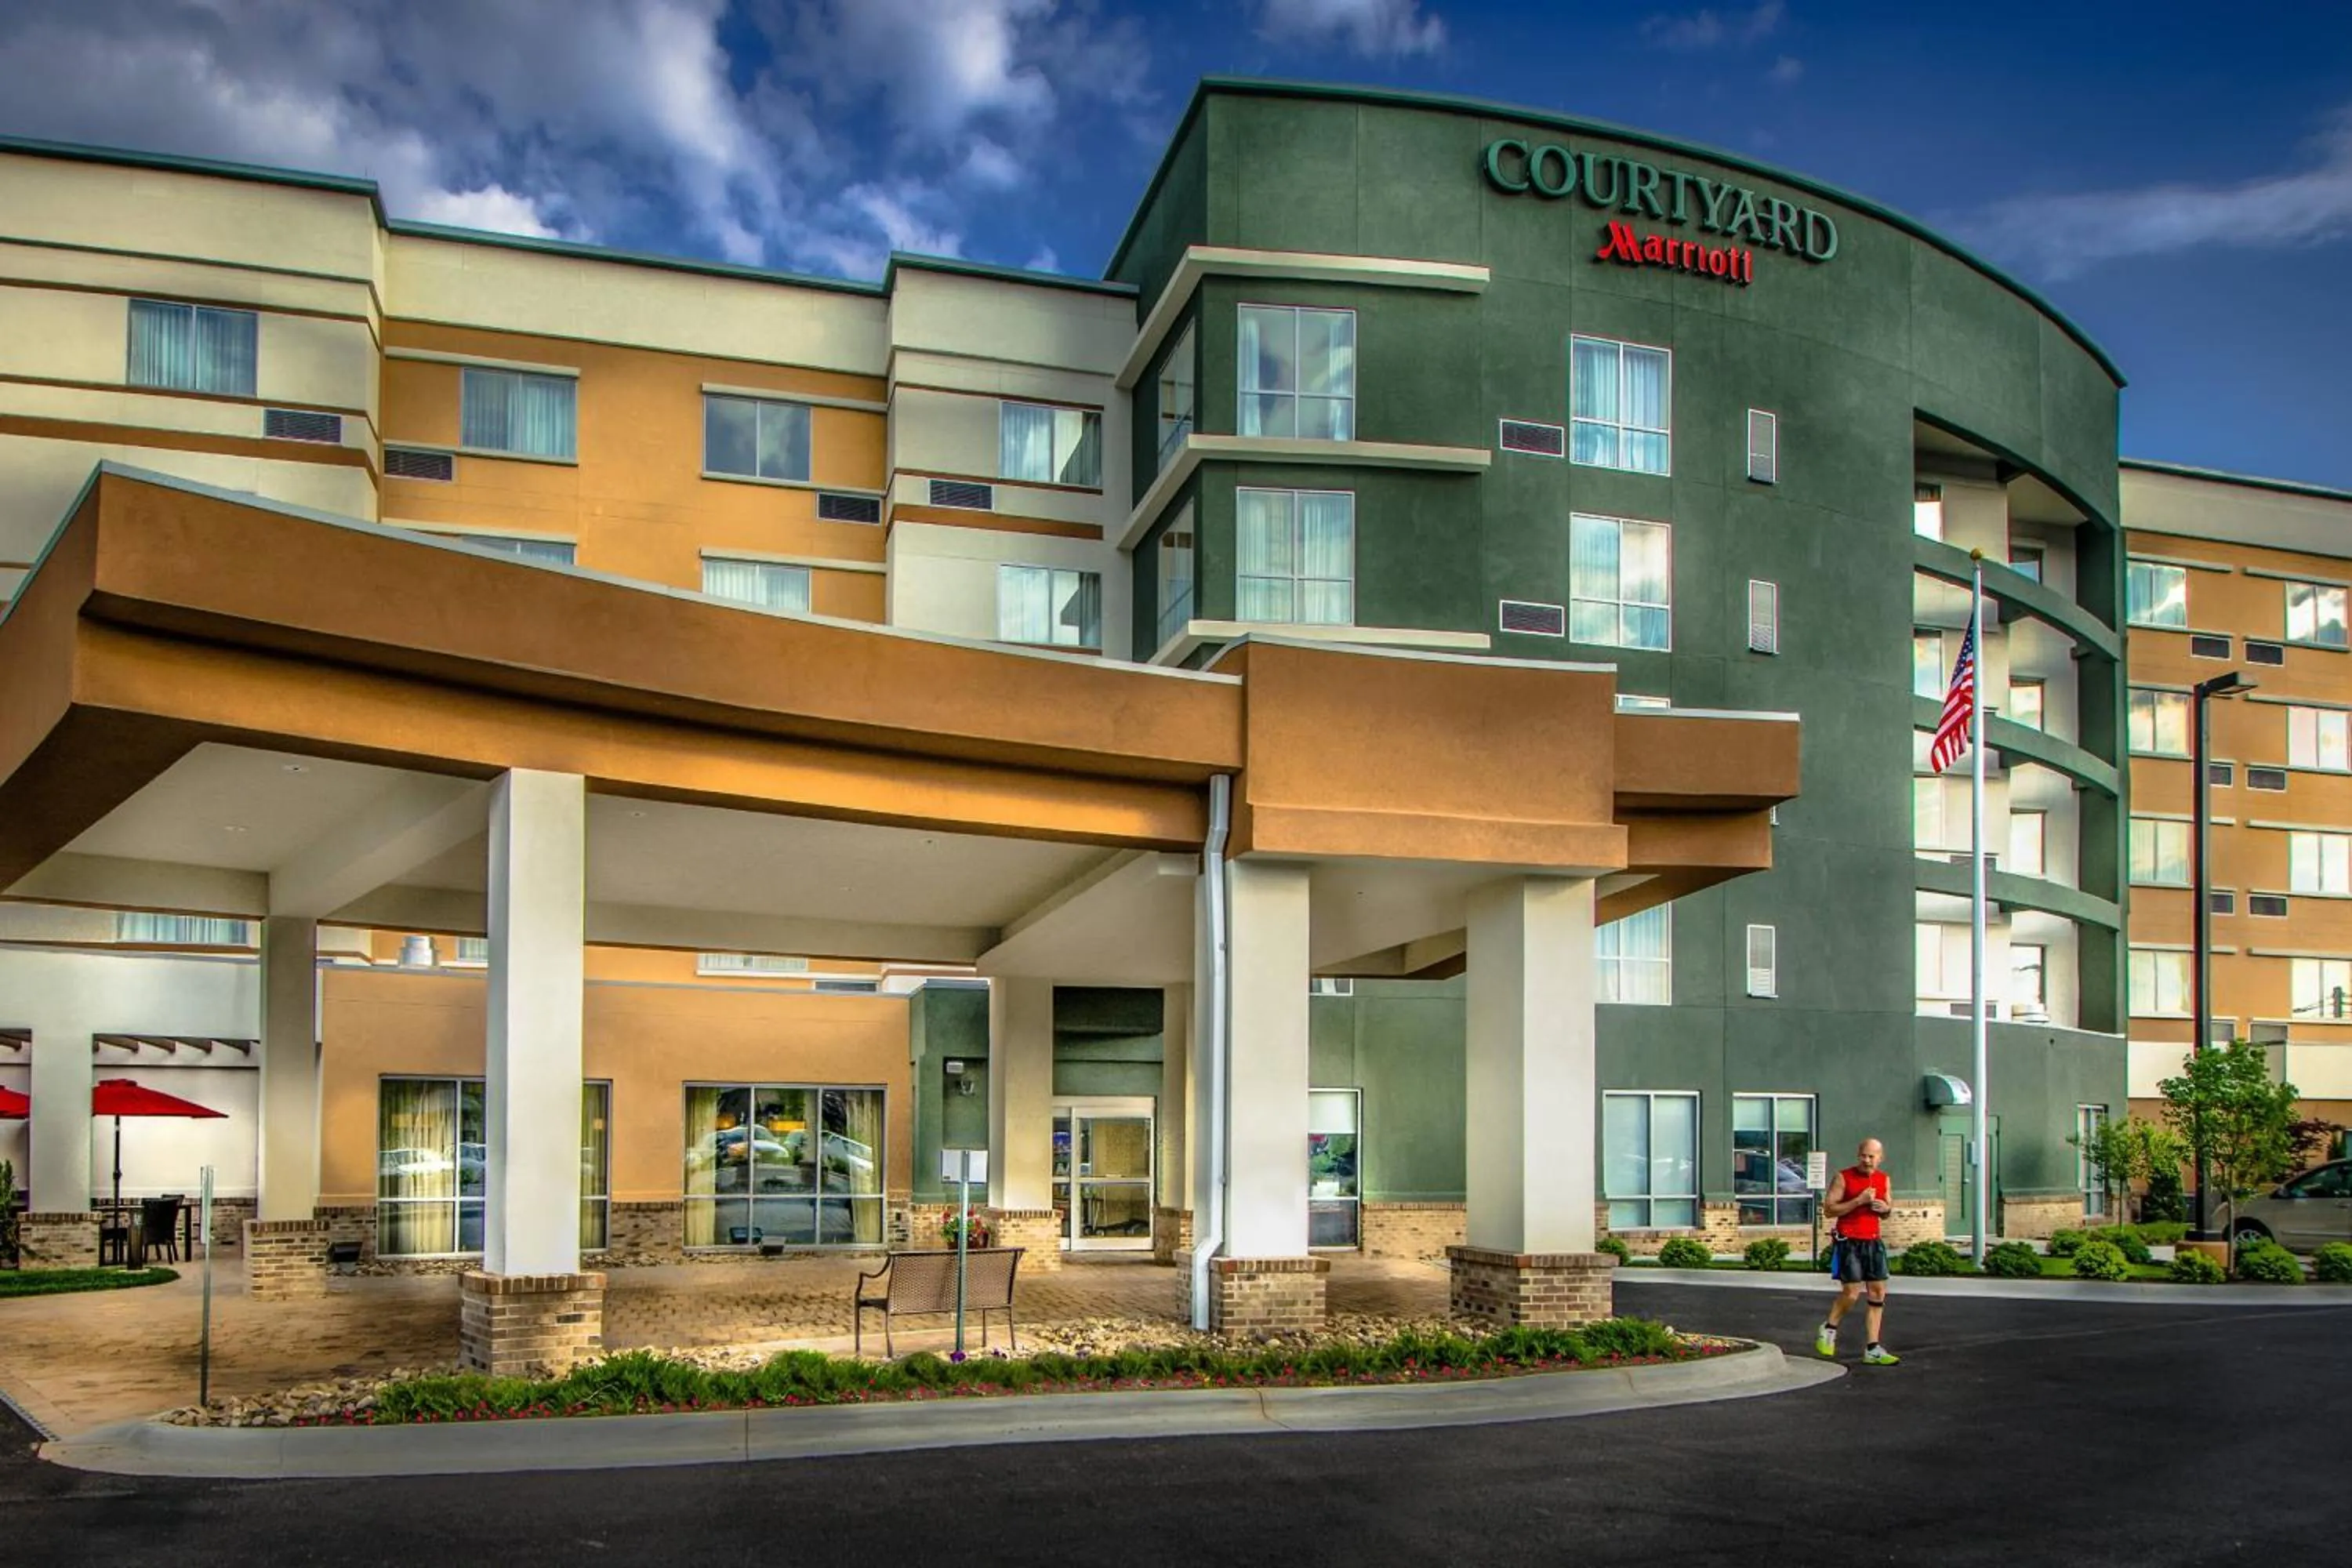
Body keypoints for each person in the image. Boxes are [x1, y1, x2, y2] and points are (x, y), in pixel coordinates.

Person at [1815, 1138, 1900, 1366]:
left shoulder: (1884, 1180)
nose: (1867, 1160)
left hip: (1873, 1241)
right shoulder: (1843, 1177)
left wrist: (1885, 1209)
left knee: (1877, 1292)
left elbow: (1888, 1209)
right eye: (1863, 1155)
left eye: (1872, 1156)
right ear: (1858, 1155)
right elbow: (1829, 1210)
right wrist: (1858, 1200)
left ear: (1880, 1158)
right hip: (1848, 1240)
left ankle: (1873, 1348)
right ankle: (1829, 1327)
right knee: (1851, 1293)